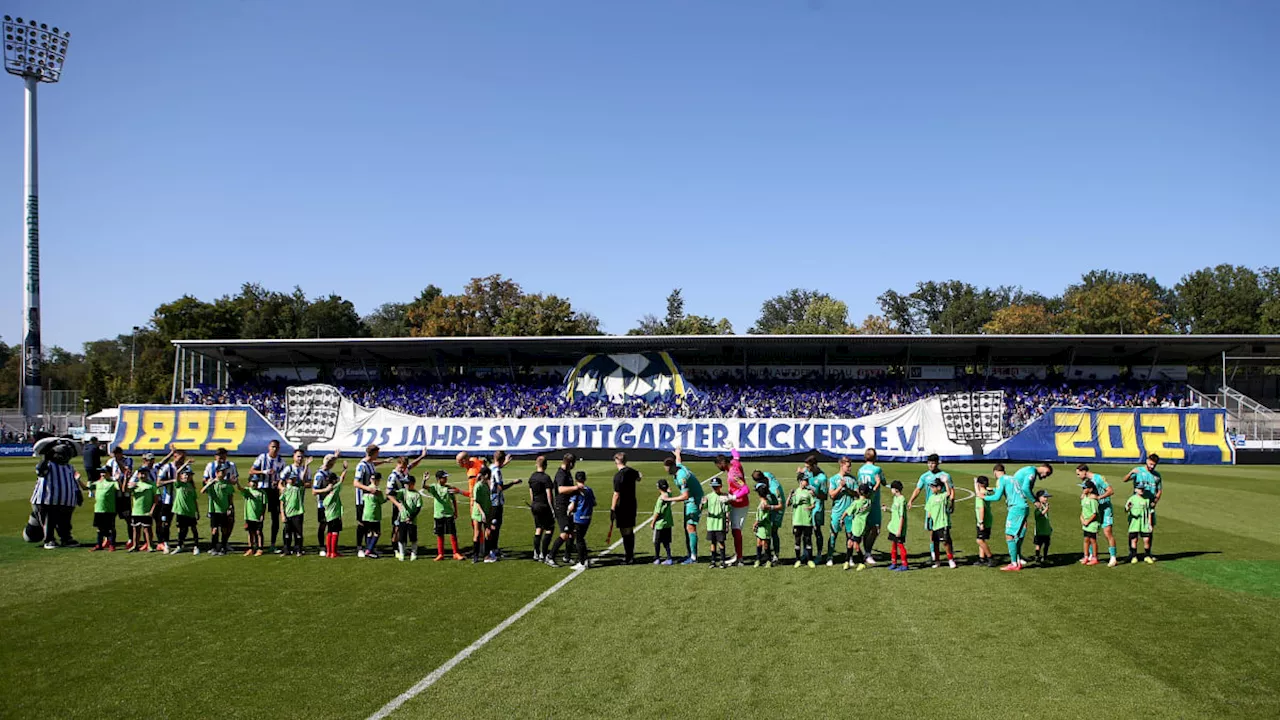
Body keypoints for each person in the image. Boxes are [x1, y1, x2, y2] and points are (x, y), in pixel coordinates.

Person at [978, 462, 1053, 572]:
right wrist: (993, 490)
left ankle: (1014, 563)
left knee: (1009, 535)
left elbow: (997, 497)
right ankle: (1017, 559)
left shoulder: (1003, 479)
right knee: (1017, 534)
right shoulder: (1011, 478)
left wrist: (983, 497)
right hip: (1022, 507)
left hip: (1016, 508)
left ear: (995, 473)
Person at [31, 441, 83, 549]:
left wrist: (78, 493)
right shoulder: (49, 465)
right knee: (49, 521)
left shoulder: (69, 467)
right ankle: (49, 539)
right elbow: (40, 471)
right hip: (48, 500)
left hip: (67, 501)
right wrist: (45, 458)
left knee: (65, 522)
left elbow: (73, 481)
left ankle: (66, 538)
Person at [908, 454, 954, 566]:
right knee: (932, 532)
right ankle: (934, 555)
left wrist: (952, 503)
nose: (930, 465)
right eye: (929, 463)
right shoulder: (924, 476)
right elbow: (918, 489)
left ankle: (950, 556)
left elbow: (951, 490)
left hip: (942, 508)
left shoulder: (945, 475)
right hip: (931, 508)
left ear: (937, 463)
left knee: (945, 533)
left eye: (933, 463)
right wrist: (911, 500)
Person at [664, 448, 704, 564]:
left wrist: (669, 500)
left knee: (691, 527)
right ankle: (689, 553)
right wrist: (677, 453)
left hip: (694, 500)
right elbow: (679, 460)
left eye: (667, 469)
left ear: (671, 467)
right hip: (690, 500)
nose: (667, 471)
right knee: (686, 527)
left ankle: (693, 557)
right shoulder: (678, 466)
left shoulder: (682, 477)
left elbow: (685, 496)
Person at [386, 450, 427, 555]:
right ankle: (395, 549)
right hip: (398, 505)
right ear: (397, 463)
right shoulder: (393, 476)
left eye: (405, 466)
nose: (404, 468)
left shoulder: (404, 471)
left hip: (407, 504)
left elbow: (413, 464)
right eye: (402, 466)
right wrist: (398, 504)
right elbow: (388, 493)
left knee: (404, 526)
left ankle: (401, 548)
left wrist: (422, 456)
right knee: (397, 527)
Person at [1076, 464, 1117, 567]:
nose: (1078, 476)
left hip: (1105, 508)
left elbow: (1111, 491)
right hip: (1095, 509)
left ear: (1084, 471)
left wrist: (1099, 497)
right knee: (1090, 532)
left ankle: (1113, 557)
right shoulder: (1086, 482)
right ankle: (1091, 556)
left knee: (1107, 532)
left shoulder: (1098, 478)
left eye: (1078, 473)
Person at [249, 440, 286, 553]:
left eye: (276, 447)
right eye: (272, 447)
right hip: (262, 490)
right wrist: (263, 472)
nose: (274, 449)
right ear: (269, 447)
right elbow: (251, 471)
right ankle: (257, 544)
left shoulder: (281, 461)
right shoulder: (262, 458)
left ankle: (273, 544)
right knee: (260, 516)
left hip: (274, 491)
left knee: (275, 518)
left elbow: (284, 476)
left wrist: (279, 481)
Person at [1124, 454, 1163, 556]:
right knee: (1133, 532)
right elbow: (1125, 479)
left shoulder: (1157, 476)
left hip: (1149, 507)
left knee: (1149, 531)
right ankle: (1132, 553)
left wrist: (1155, 501)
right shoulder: (1138, 470)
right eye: (1150, 464)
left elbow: (1159, 490)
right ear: (1147, 461)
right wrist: (1131, 472)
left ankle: (1148, 553)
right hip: (1136, 506)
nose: (1151, 467)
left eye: (1154, 465)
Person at [716, 446, 749, 566]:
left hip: (739, 504)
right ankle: (738, 555)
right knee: (734, 530)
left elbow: (746, 489)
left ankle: (739, 559)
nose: (718, 468)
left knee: (736, 531)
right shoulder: (734, 463)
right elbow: (736, 457)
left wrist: (733, 497)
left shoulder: (733, 475)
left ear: (723, 463)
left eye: (718, 465)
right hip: (736, 503)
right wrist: (732, 448)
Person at [353, 445, 388, 558]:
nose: (378, 455)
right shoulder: (361, 466)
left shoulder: (370, 464)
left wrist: (384, 461)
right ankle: (359, 547)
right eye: (377, 453)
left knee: (370, 526)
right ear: (373, 453)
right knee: (362, 524)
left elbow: (373, 464)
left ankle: (369, 548)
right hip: (362, 499)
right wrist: (369, 489)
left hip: (369, 500)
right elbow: (356, 483)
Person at [425, 469, 466, 561]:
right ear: (439, 479)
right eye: (444, 477)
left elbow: (454, 500)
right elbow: (424, 487)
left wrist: (456, 511)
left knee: (453, 533)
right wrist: (425, 480)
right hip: (438, 514)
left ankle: (456, 553)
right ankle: (440, 554)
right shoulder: (434, 487)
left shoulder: (449, 488)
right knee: (440, 534)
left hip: (449, 514)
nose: (446, 479)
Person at [313, 457, 349, 558]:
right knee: (334, 531)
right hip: (334, 513)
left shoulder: (327, 494)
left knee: (329, 531)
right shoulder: (335, 488)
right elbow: (341, 480)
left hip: (327, 511)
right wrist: (345, 470)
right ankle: (333, 551)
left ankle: (329, 551)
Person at [547, 453, 579, 567]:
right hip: (561, 506)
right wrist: (576, 488)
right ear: (570, 463)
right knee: (565, 533)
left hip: (568, 505)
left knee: (572, 532)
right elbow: (560, 489)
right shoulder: (561, 474)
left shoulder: (567, 473)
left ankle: (567, 556)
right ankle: (550, 556)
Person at [487, 450, 520, 560]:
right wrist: (513, 483)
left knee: (494, 526)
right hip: (496, 502)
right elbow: (501, 487)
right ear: (501, 459)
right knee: (495, 527)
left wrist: (505, 463)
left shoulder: (491, 467)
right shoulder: (497, 472)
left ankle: (494, 549)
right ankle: (491, 550)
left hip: (491, 501)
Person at [153, 447, 186, 554]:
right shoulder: (167, 467)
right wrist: (173, 480)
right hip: (168, 501)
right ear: (175, 456)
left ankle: (180, 544)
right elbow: (158, 483)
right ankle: (166, 543)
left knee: (181, 524)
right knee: (166, 523)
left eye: (184, 458)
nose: (182, 460)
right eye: (181, 458)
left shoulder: (185, 468)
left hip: (181, 501)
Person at [798, 455, 829, 564]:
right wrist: (799, 473)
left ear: (815, 465)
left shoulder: (822, 478)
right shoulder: (807, 471)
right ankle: (805, 553)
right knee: (805, 529)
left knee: (816, 530)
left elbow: (825, 496)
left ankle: (819, 554)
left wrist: (815, 493)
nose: (807, 469)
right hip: (806, 505)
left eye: (809, 467)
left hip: (817, 506)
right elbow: (801, 479)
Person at [856, 449, 886, 563]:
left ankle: (866, 552)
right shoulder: (877, 469)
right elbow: (882, 481)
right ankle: (867, 553)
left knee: (866, 528)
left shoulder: (860, 470)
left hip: (863, 501)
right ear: (875, 457)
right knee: (875, 529)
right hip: (873, 503)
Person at [279, 450, 311, 557]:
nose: (300, 459)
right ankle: (287, 549)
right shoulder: (288, 468)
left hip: (298, 505)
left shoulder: (304, 472)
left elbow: (306, 483)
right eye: (298, 456)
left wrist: (306, 467)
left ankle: (298, 549)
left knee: (298, 530)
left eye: (301, 457)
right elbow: (280, 483)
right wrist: (283, 489)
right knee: (287, 531)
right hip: (289, 506)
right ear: (293, 457)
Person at [827, 457, 856, 567]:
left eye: (850, 466)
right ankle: (830, 556)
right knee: (833, 534)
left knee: (850, 535)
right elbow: (832, 495)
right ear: (842, 465)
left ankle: (850, 558)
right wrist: (840, 487)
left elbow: (857, 494)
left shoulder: (853, 479)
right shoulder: (834, 479)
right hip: (837, 512)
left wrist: (848, 489)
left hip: (849, 512)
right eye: (848, 466)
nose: (850, 468)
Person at [751, 469, 786, 563]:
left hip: (777, 508)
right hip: (769, 505)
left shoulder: (775, 488)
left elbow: (781, 506)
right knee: (765, 530)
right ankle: (767, 555)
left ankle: (776, 555)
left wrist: (769, 507)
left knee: (773, 531)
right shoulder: (765, 475)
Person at [387, 473, 424, 561]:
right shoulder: (403, 491)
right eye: (405, 483)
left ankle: (414, 553)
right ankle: (402, 553)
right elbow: (394, 493)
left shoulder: (417, 495)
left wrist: (411, 517)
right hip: (403, 518)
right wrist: (392, 491)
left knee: (413, 537)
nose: (405, 485)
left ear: (412, 484)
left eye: (407, 483)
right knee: (402, 537)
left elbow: (418, 508)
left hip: (412, 520)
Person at [201, 465, 236, 556]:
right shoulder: (212, 484)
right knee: (214, 530)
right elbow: (202, 491)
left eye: (224, 472)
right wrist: (209, 483)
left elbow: (230, 497)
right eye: (222, 471)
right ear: (217, 473)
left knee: (224, 529)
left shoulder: (227, 484)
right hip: (214, 510)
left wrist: (230, 507)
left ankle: (223, 547)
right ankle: (213, 547)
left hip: (224, 510)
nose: (224, 473)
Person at [527, 456, 555, 562]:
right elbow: (549, 495)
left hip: (535, 505)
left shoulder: (532, 477)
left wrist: (533, 503)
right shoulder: (546, 478)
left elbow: (531, 494)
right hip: (544, 505)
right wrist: (552, 508)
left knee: (538, 528)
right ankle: (543, 553)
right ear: (545, 465)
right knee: (549, 529)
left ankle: (536, 552)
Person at [88, 460, 121, 551]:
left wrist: (118, 479)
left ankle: (112, 544)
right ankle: (99, 545)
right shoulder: (98, 483)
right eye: (101, 472)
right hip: (98, 509)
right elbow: (86, 488)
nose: (102, 474)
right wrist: (78, 480)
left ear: (109, 473)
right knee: (99, 528)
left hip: (109, 509)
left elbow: (120, 489)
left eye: (104, 472)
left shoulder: (113, 483)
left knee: (110, 528)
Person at [567, 470, 596, 570]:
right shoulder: (589, 490)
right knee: (581, 539)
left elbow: (572, 505)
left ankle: (582, 562)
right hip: (587, 517)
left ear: (576, 480)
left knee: (579, 540)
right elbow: (594, 502)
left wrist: (568, 512)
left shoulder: (576, 491)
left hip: (579, 518)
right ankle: (585, 559)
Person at [924, 478, 956, 569]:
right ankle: (937, 561)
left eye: (933, 486)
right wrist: (928, 521)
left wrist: (945, 482)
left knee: (946, 543)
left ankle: (950, 560)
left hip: (942, 523)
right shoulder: (931, 498)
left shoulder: (942, 496)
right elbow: (929, 511)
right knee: (935, 543)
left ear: (938, 487)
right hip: (934, 525)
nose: (931, 488)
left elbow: (949, 493)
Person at [788, 472, 816, 568]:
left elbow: (813, 503)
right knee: (797, 540)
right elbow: (788, 504)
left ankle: (809, 560)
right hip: (797, 520)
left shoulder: (809, 492)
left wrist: (810, 508)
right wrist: (790, 495)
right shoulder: (795, 492)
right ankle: (798, 559)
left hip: (807, 520)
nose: (807, 482)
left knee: (808, 539)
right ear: (800, 481)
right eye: (805, 480)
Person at [127, 467, 159, 553]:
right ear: (137, 475)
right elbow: (125, 491)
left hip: (146, 512)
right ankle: (135, 546)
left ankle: (149, 545)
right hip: (136, 511)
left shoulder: (152, 485)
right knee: (135, 529)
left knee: (147, 529)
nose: (143, 475)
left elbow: (156, 500)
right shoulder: (134, 485)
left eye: (144, 474)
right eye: (141, 474)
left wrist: (152, 510)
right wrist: (127, 479)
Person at [170, 466, 200, 555]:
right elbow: (177, 473)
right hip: (181, 511)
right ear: (181, 476)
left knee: (194, 529)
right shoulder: (179, 484)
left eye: (189, 475)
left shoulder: (191, 487)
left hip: (190, 511)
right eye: (185, 474)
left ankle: (196, 546)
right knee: (181, 529)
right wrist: (185, 464)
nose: (187, 476)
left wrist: (197, 511)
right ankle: (180, 546)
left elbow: (195, 500)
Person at [106, 447, 133, 542]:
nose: (115, 456)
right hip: (113, 491)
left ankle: (131, 538)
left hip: (124, 491)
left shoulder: (128, 460)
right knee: (111, 516)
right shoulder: (110, 462)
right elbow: (107, 474)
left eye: (117, 454)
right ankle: (109, 539)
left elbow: (126, 471)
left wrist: (118, 461)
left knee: (128, 517)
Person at [702, 477, 730, 569]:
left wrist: (727, 502)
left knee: (721, 542)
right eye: (713, 486)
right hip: (711, 524)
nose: (715, 488)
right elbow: (702, 508)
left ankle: (722, 561)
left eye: (716, 486)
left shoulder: (724, 496)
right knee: (712, 542)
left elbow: (727, 510)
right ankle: (713, 560)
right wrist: (702, 503)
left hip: (719, 523)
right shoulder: (709, 496)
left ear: (720, 486)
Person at [311, 455, 335, 556]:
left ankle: (330, 547)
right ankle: (321, 547)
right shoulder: (319, 475)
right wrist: (326, 490)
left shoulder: (329, 473)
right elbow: (314, 491)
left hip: (331, 504)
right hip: (322, 504)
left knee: (331, 525)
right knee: (323, 525)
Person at [751, 483, 780, 568]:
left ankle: (768, 560)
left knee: (765, 544)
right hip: (761, 527)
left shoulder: (765, 503)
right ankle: (758, 559)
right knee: (759, 543)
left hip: (765, 526)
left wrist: (756, 523)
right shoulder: (763, 502)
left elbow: (764, 517)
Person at [846, 486, 873, 571]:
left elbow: (847, 512)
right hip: (859, 526)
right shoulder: (868, 502)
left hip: (857, 527)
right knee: (849, 543)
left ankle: (862, 563)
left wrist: (841, 519)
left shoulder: (856, 503)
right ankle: (847, 562)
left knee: (855, 545)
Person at [361, 472, 387, 560]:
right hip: (374, 514)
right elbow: (382, 501)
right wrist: (388, 497)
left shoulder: (366, 489)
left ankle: (369, 549)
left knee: (369, 533)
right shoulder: (377, 491)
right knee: (377, 533)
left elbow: (363, 499)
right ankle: (369, 550)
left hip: (366, 514)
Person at [1124, 486, 1154, 564]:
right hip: (1134, 524)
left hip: (1144, 523)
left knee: (1146, 540)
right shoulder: (1132, 499)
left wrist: (1150, 523)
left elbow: (1150, 512)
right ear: (1136, 490)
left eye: (1142, 489)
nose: (1142, 490)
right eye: (1140, 489)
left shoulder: (1147, 499)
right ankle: (1134, 556)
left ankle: (1147, 556)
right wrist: (1129, 507)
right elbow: (1126, 509)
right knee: (1134, 540)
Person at [240, 476, 268, 557]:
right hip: (249, 516)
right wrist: (237, 482)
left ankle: (260, 548)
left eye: (256, 482)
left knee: (258, 532)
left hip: (258, 516)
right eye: (253, 482)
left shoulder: (262, 492)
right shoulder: (248, 491)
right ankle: (251, 548)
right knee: (250, 532)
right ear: (249, 483)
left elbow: (264, 505)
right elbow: (241, 489)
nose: (255, 483)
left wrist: (262, 514)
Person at [470, 466, 493, 564]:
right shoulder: (478, 486)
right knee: (477, 533)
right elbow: (477, 501)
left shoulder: (486, 485)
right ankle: (475, 556)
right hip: (478, 513)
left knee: (488, 532)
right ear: (487, 475)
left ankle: (486, 555)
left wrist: (490, 511)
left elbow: (488, 499)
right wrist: (482, 513)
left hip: (487, 512)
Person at [650, 478, 675, 565]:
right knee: (666, 542)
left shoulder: (660, 499)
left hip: (660, 524)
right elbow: (669, 490)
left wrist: (653, 522)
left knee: (656, 542)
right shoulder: (669, 495)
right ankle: (669, 557)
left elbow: (657, 512)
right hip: (668, 523)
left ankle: (657, 557)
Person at [886, 481, 909, 572]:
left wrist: (899, 530)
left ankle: (905, 564)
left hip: (898, 528)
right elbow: (894, 511)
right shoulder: (895, 498)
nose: (890, 490)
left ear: (896, 489)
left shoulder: (902, 500)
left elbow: (902, 516)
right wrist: (887, 509)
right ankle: (894, 563)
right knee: (893, 545)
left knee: (900, 545)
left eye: (891, 488)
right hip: (893, 527)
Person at [974, 476, 994, 567]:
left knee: (979, 540)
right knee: (982, 539)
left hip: (983, 520)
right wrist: (975, 483)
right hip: (988, 519)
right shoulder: (987, 492)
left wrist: (981, 522)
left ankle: (990, 558)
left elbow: (981, 509)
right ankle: (982, 559)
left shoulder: (979, 496)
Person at [1080, 480, 1100, 566]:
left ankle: (1095, 557)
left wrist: (1088, 521)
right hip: (1085, 522)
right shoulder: (1084, 498)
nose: (1083, 489)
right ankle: (1086, 556)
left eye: (1085, 488)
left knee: (1093, 540)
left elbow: (1095, 513)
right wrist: (1082, 519)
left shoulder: (1093, 500)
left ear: (1090, 489)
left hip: (1092, 523)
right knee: (1086, 540)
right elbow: (1083, 511)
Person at [1032, 490, 1053, 564]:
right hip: (1039, 531)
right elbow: (1039, 515)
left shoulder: (1044, 506)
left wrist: (1049, 527)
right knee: (1038, 545)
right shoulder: (1038, 507)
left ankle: (1045, 557)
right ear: (1039, 498)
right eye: (1044, 497)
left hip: (1046, 530)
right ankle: (1037, 556)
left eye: (1047, 497)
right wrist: (1046, 509)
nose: (1046, 499)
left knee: (1046, 544)